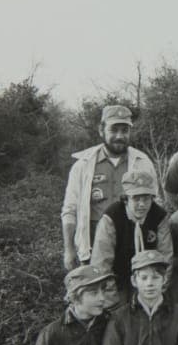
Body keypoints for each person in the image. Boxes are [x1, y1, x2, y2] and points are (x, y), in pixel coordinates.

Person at [61, 104, 158, 271]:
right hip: (94, 246)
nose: (119, 136)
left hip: (132, 245)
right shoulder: (82, 165)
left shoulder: (143, 162)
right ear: (101, 130)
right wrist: (69, 250)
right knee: (97, 294)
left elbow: (155, 204)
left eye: (125, 130)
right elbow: (70, 210)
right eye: (114, 130)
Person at [90, 169, 172, 308]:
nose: (142, 204)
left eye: (146, 198)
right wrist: (111, 297)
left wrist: (158, 289)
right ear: (126, 198)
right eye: (136, 198)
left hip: (149, 278)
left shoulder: (159, 217)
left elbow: (166, 256)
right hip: (118, 279)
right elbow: (101, 262)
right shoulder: (111, 218)